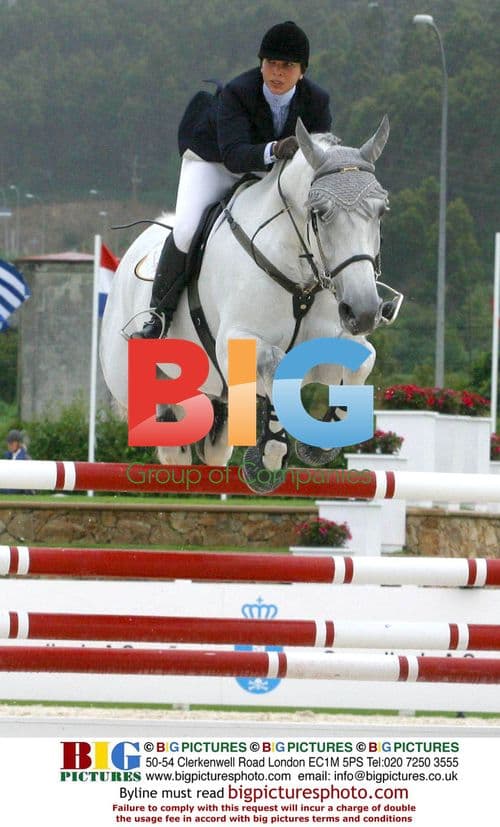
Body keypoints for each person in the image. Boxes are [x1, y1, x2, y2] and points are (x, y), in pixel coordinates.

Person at [132, 20, 332, 339]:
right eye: (271, 64)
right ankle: (158, 313)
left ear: (302, 71)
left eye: (287, 66)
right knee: (185, 230)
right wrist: (276, 148)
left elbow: (317, 159)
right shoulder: (239, 92)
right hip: (214, 160)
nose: (277, 73)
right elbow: (234, 155)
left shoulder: (317, 100)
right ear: (261, 64)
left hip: (271, 169)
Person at [2, 429, 32, 494]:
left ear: (18, 444)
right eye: (8, 443)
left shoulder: (25, 458)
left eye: (11, 443)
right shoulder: (8, 456)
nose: (9, 445)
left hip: (21, 487)